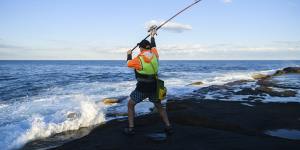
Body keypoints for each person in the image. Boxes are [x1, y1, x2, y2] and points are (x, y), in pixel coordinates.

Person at [125, 27, 172, 135]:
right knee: (159, 106)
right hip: (154, 87)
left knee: (130, 105)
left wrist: (128, 54)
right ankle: (168, 126)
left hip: (142, 88)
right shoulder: (155, 56)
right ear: (149, 48)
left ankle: (131, 128)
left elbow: (128, 63)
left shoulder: (139, 59)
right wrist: (152, 36)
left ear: (141, 49)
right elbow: (154, 46)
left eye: (140, 48)